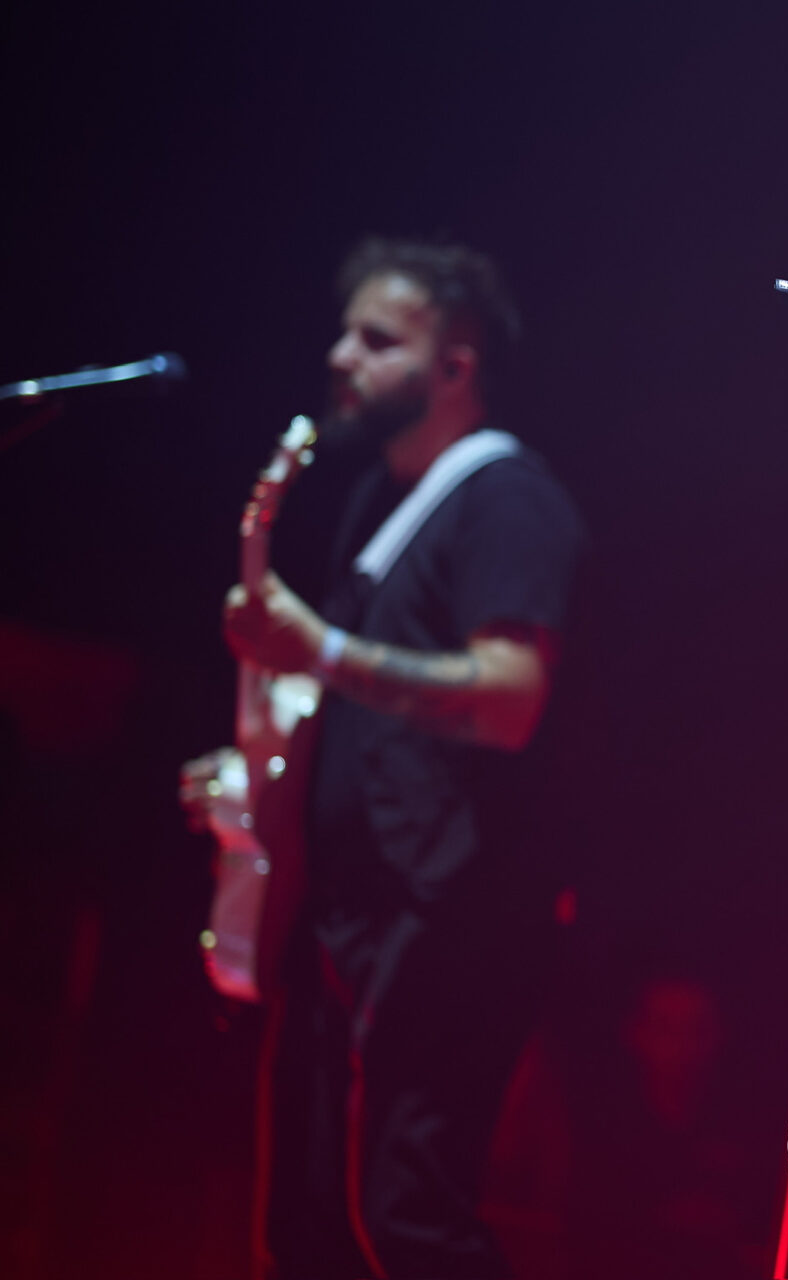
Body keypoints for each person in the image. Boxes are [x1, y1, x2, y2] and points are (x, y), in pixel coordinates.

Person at [181, 238, 586, 1279]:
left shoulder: (506, 499)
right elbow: (363, 710)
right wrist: (259, 785)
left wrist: (318, 647)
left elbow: (510, 698)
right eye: (344, 333)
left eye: (375, 339)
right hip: (344, 917)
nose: (341, 356)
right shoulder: (378, 502)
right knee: (307, 1228)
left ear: (454, 364)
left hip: (445, 914)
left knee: (408, 1223)